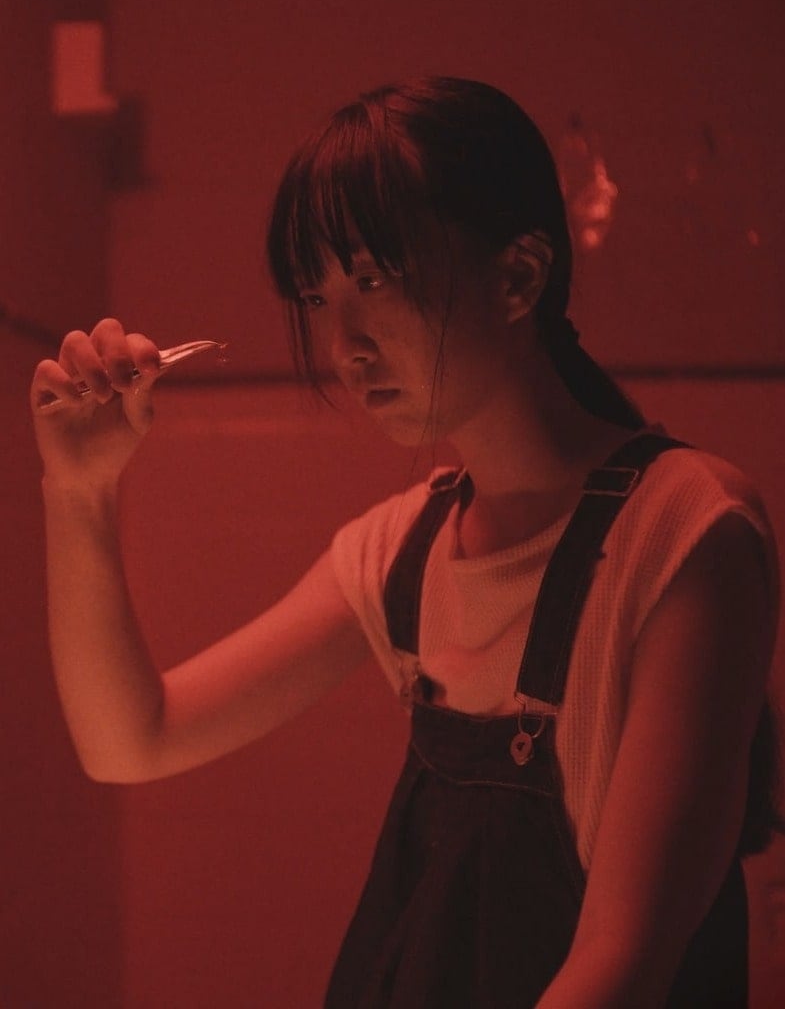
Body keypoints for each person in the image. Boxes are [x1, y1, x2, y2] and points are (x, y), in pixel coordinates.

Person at [31, 77, 780, 1007]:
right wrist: (79, 488)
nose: (341, 342)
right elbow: (129, 741)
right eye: (316, 294)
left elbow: (619, 965)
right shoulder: (405, 545)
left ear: (518, 277)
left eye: (375, 279)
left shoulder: (684, 530)